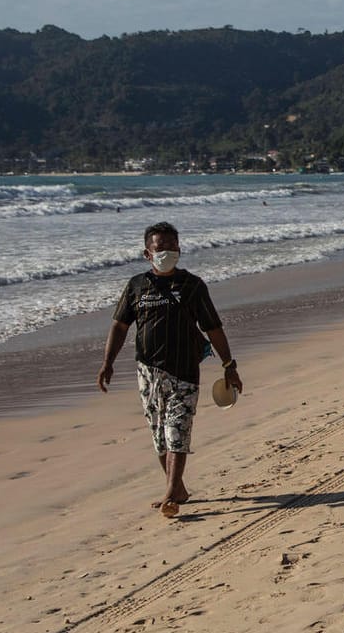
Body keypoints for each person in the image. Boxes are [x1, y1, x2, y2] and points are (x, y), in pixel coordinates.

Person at [97, 221, 241, 519]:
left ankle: (170, 494)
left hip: (184, 371)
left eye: (173, 247)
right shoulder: (136, 286)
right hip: (147, 372)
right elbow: (119, 325)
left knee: (177, 429)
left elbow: (213, 328)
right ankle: (178, 489)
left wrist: (229, 365)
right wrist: (108, 362)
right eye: (161, 248)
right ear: (147, 253)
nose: (168, 253)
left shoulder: (192, 286)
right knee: (158, 433)